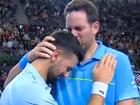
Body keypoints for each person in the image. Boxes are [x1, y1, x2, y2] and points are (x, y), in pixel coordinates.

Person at [4, 0, 139, 105]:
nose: (73, 34)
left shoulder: (117, 60)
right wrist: (29, 56)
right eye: (69, 29)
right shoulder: (58, 59)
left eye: (78, 28)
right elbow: (9, 85)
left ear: (95, 27)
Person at [0, 30, 116, 105]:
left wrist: (29, 56)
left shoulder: (24, 78)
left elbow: (7, 83)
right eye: (68, 68)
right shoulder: (34, 93)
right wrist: (100, 85)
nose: (66, 75)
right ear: (55, 56)